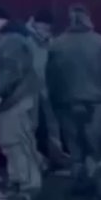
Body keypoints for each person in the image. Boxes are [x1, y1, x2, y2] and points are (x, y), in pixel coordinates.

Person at [47, 5, 101, 200]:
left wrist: (55, 104)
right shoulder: (100, 42)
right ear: (88, 18)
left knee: (76, 150)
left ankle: (80, 186)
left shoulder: (57, 44)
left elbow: (51, 78)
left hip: (66, 105)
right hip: (96, 105)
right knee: (98, 150)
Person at [0, 7, 43, 200]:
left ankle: (29, 186)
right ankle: (19, 182)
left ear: (1, 21)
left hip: (14, 101)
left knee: (18, 143)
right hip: (12, 101)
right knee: (12, 143)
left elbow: (10, 71)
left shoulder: (10, 40)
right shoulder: (8, 39)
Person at [27, 10, 66, 168]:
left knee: (52, 123)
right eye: (42, 28)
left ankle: (56, 156)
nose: (45, 31)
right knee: (30, 124)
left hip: (46, 85)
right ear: (34, 23)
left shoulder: (49, 40)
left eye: (47, 28)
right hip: (28, 87)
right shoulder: (24, 37)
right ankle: (32, 159)